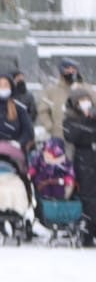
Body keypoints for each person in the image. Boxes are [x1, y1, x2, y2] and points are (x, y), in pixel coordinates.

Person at [62, 87, 96, 247]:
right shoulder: (70, 119)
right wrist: (87, 120)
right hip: (83, 159)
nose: (85, 103)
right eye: (81, 101)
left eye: (87, 100)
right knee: (87, 196)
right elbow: (73, 136)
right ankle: (88, 232)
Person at [39, 59, 81, 141]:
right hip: (58, 135)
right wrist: (49, 126)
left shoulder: (82, 89)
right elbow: (43, 111)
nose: (71, 72)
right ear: (62, 70)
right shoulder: (51, 91)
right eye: (68, 69)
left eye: (73, 69)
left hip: (80, 138)